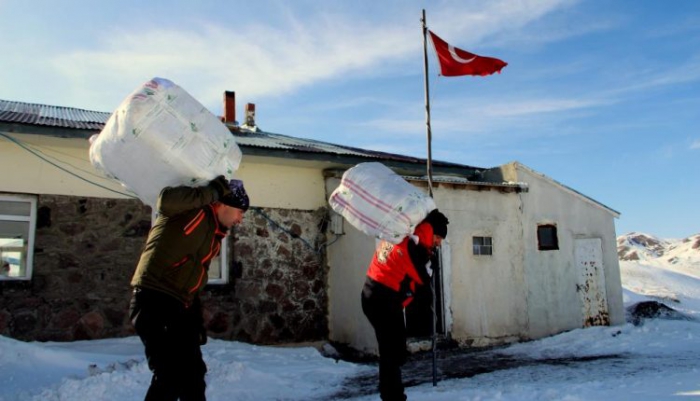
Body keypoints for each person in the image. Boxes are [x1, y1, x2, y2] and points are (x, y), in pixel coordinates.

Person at [129, 175, 249, 401]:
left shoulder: (214, 232)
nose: (240, 219)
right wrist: (213, 191)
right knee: (169, 373)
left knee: (193, 374)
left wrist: (194, 318)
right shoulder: (191, 210)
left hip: (180, 305)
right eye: (240, 212)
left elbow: (194, 277)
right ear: (224, 204)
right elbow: (165, 201)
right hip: (153, 297)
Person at [361, 208, 449, 401]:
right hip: (380, 299)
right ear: (429, 231)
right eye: (438, 238)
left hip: (379, 297)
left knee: (396, 350)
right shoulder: (411, 248)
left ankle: (392, 390)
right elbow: (422, 279)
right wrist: (430, 262)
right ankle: (393, 397)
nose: (438, 243)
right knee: (390, 352)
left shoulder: (402, 234)